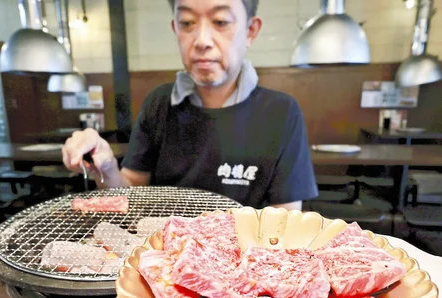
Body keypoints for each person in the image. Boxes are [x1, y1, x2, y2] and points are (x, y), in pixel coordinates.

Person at [62, 0, 318, 210]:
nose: (201, 40)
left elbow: (285, 218)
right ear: (175, 29)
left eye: (220, 22)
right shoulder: (159, 103)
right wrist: (105, 168)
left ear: (250, 31)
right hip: (162, 258)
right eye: (187, 23)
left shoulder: (281, 112)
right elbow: (129, 194)